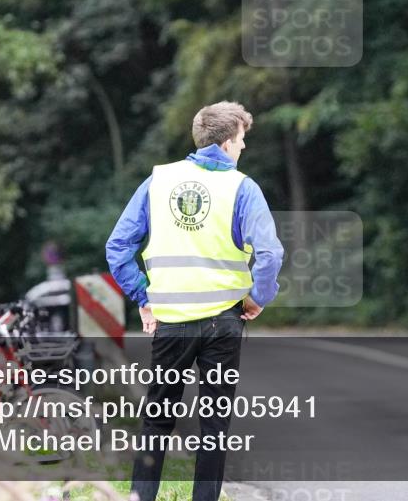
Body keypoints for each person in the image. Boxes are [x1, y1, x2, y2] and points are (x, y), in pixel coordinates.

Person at [106, 101, 284, 501]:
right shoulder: (243, 188)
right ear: (226, 142)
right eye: (241, 139)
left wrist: (143, 296)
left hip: (171, 322)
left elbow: (117, 247)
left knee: (157, 420)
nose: (243, 147)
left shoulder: (158, 182)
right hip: (225, 322)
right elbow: (270, 254)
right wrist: (257, 297)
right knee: (214, 425)